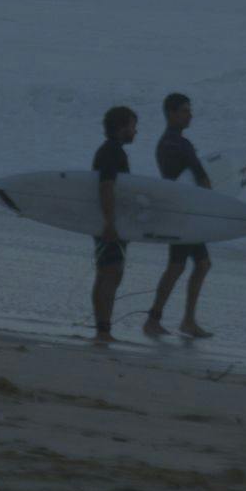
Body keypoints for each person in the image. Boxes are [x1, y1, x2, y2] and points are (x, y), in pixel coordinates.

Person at [143, 93, 215, 338]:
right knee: (177, 266)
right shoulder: (181, 144)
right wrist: (213, 206)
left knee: (200, 264)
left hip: (179, 210)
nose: (190, 114)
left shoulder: (164, 143)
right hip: (184, 214)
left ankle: (186, 320)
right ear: (171, 113)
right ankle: (156, 319)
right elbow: (202, 178)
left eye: (189, 110)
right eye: (184, 110)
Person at [91, 106, 139, 344]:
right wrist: (110, 223)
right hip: (108, 222)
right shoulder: (112, 152)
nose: (136, 131)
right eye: (132, 126)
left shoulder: (111, 150)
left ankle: (103, 328)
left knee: (108, 273)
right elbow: (106, 187)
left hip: (108, 221)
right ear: (121, 128)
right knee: (110, 273)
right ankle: (103, 330)